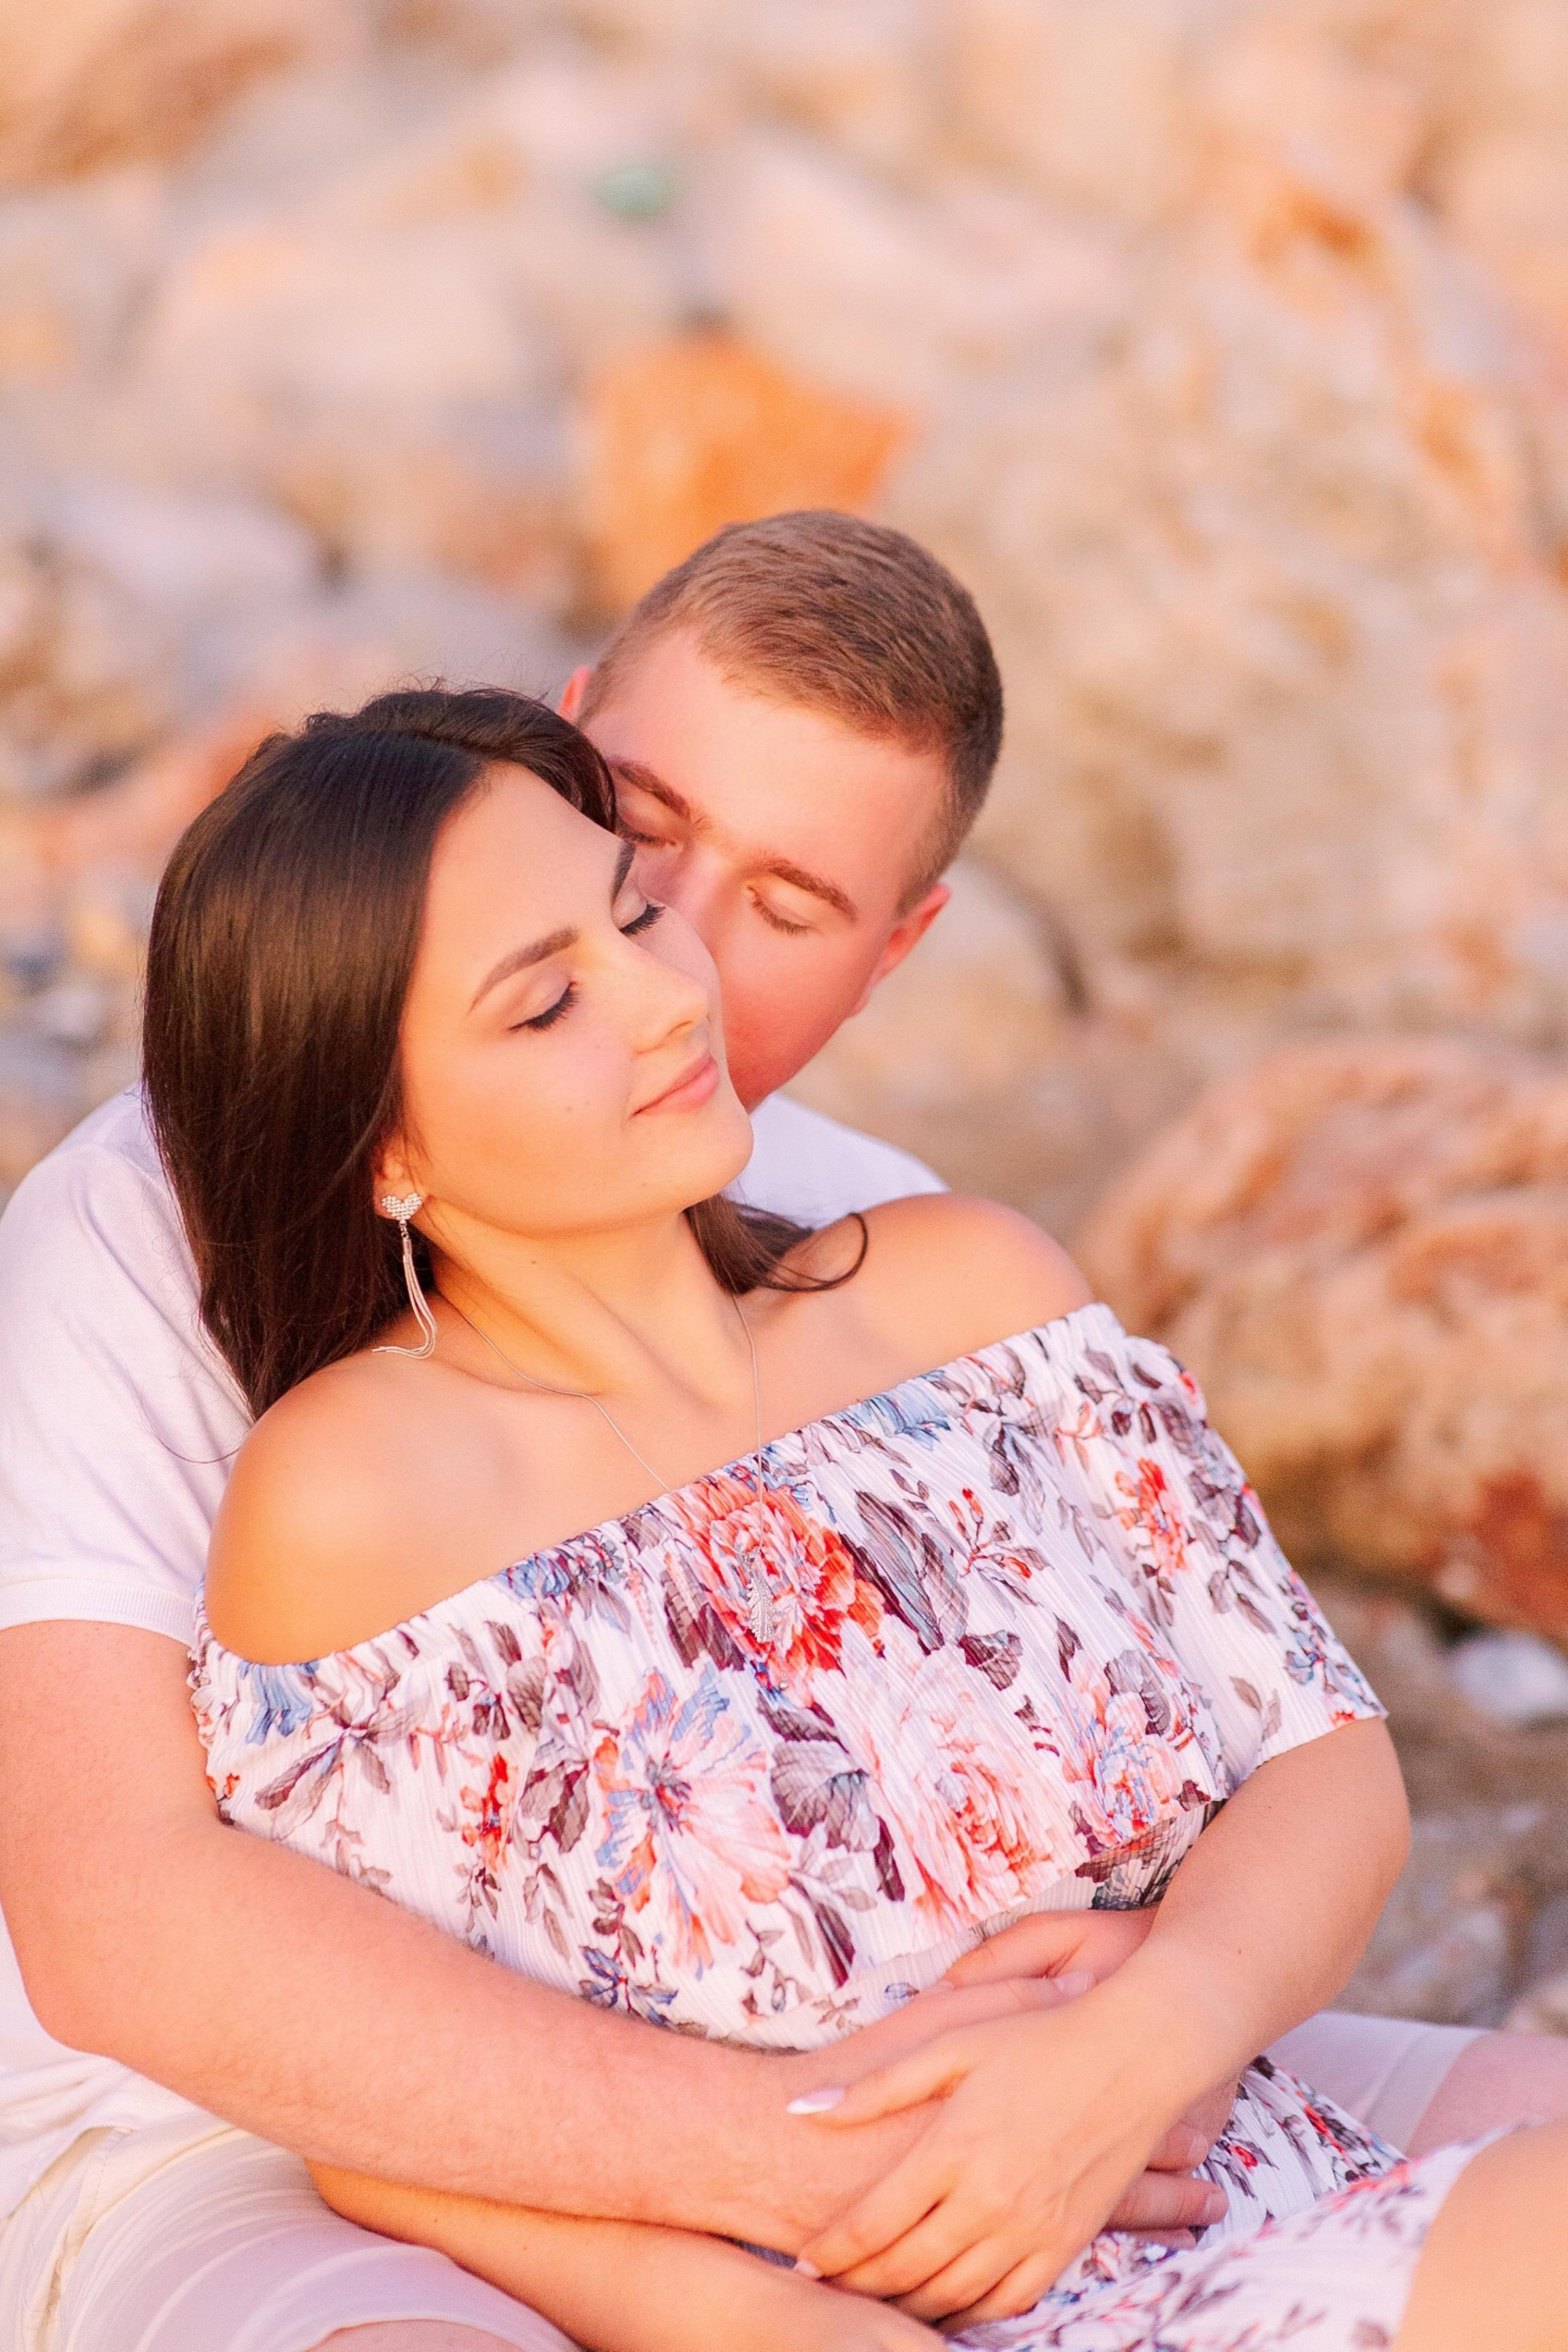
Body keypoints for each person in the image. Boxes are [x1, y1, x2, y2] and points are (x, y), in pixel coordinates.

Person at [0, 516, 1559, 2350]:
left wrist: (1163, 2022)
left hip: (1124, 2140)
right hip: (260, 2136)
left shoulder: (927, 1259)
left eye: (755, 907)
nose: (685, 977)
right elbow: (160, 1940)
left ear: (901, 946)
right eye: (646, 841)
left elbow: (1305, 1741)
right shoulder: (235, 1351)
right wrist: (806, 2208)